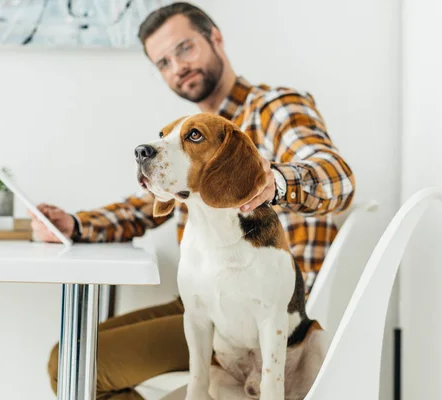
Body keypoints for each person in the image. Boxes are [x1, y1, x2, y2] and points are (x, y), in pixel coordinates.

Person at [33, 3, 355, 399]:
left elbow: (337, 176)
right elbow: (142, 207)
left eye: (184, 49)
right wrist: (75, 225)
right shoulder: (184, 135)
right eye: (164, 62)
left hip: (271, 313)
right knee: (67, 355)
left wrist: (276, 180)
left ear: (215, 37)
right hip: (204, 299)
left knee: (75, 366)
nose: (177, 67)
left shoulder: (273, 108)